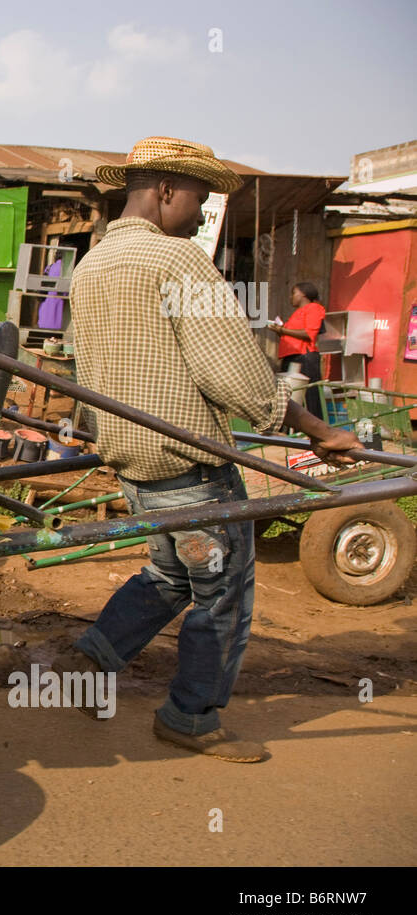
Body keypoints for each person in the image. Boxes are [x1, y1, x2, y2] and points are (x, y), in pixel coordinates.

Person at [52, 136, 361, 761]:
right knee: (222, 591)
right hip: (193, 467)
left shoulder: (90, 267)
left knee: (171, 572)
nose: (200, 216)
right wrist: (318, 429)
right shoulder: (179, 262)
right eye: (198, 198)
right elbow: (236, 377)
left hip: (133, 462)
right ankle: (191, 717)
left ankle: (90, 661)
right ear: (166, 190)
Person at [271, 281, 326, 418]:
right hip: (292, 356)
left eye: (293, 293)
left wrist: (283, 330)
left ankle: (315, 427)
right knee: (289, 395)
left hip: (304, 356)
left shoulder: (313, 308)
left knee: (309, 395)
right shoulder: (298, 313)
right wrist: (280, 330)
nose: (291, 297)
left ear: (303, 294)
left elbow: (309, 333)